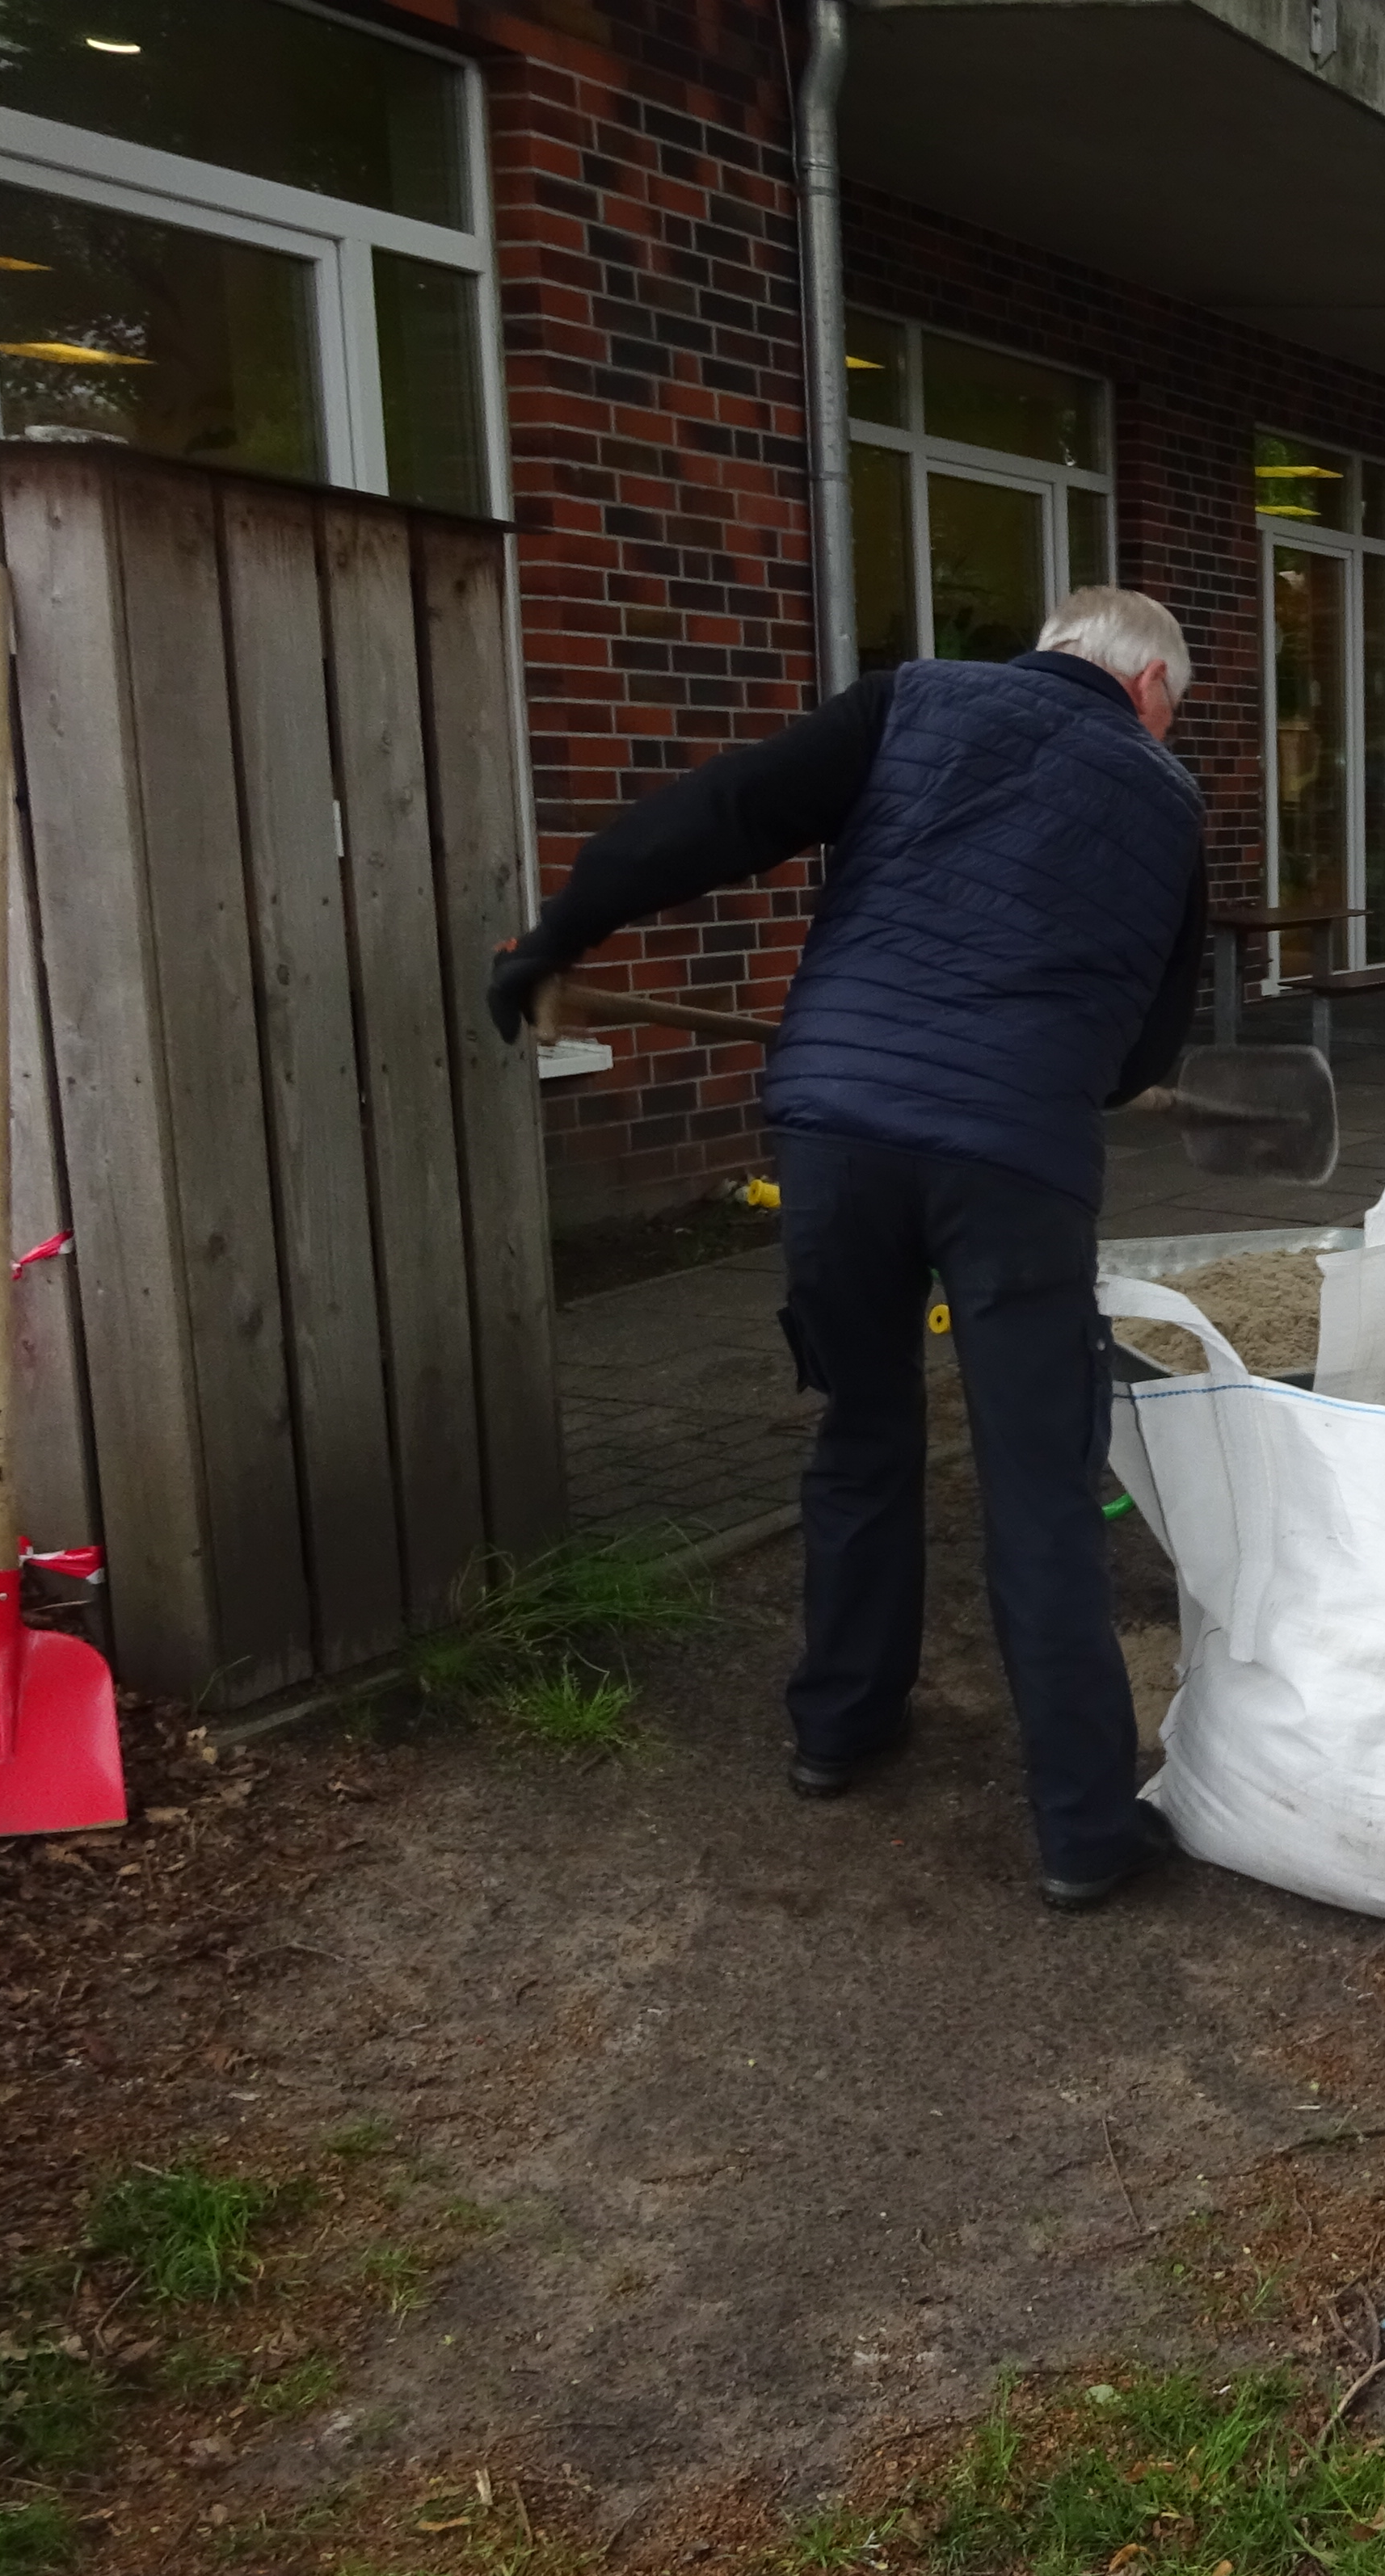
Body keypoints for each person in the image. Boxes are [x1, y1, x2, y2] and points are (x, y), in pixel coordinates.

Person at [483, 589, 1210, 1911]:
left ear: (1049, 644)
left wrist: (560, 935)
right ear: (1148, 680)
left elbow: (724, 816)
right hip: (1016, 1161)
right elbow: (1148, 1052)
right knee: (1041, 1480)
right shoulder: (1164, 800)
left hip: (837, 1130)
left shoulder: (912, 701)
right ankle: (1082, 1830)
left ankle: (839, 1727)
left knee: (864, 1430)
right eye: (1177, 704)